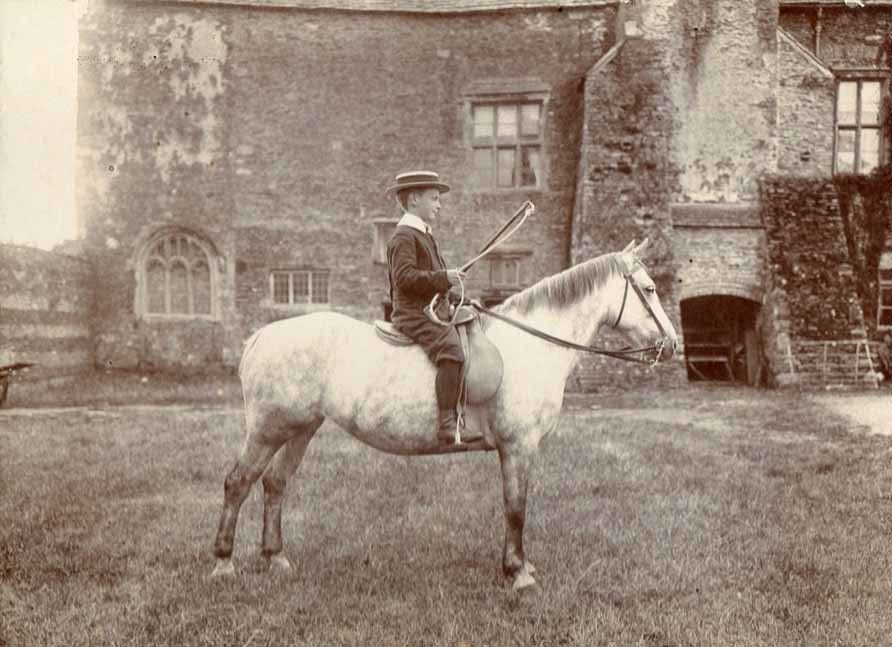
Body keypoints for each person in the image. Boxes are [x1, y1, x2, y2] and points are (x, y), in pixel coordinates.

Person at [384, 170, 479, 446]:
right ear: (414, 199)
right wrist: (443, 277)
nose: (439, 204)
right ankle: (447, 425)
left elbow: (433, 281)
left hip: (431, 309)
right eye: (435, 199)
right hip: (412, 314)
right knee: (452, 350)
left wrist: (456, 294)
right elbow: (404, 279)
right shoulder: (404, 236)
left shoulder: (424, 234)